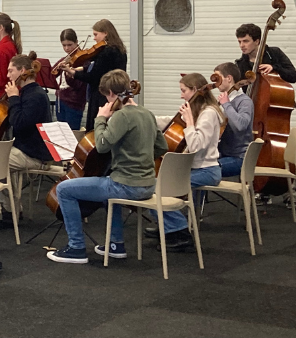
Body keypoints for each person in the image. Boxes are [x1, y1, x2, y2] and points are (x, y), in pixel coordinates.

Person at [48, 70, 168, 264]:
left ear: (111, 94)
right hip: (148, 185)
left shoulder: (122, 116)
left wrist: (101, 118)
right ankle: (115, 244)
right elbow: (162, 147)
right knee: (108, 194)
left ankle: (76, 248)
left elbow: (102, 145)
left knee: (64, 189)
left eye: (105, 96)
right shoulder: (147, 113)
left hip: (126, 186)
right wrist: (140, 157)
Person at [0, 52, 56, 224]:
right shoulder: (27, 93)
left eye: (11, 71)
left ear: (23, 71)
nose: (8, 75)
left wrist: (13, 98)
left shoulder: (35, 95)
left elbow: (19, 123)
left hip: (34, 154)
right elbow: (13, 114)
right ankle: (11, 210)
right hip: (24, 150)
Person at [148, 73, 225, 251]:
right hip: (195, 170)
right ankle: (169, 227)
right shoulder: (198, 110)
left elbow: (197, 145)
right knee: (152, 185)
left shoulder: (209, 113)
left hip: (207, 171)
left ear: (195, 90)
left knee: (156, 188)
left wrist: (190, 122)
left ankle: (180, 232)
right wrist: (147, 117)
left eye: (184, 91)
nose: (181, 95)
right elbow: (171, 121)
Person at [64, 19, 127, 131]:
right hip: (116, 95)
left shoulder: (107, 52)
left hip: (102, 97)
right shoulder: (119, 49)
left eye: (96, 34)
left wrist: (73, 73)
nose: (94, 38)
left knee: (96, 130)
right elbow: (99, 67)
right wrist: (81, 68)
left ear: (105, 33)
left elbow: (94, 77)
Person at [214, 62, 254, 178]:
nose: (216, 84)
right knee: (195, 164)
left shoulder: (244, 101)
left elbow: (241, 125)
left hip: (238, 158)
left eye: (218, 79)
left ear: (229, 78)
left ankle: (195, 197)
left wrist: (226, 104)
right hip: (222, 153)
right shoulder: (224, 100)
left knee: (204, 169)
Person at [234, 23, 296, 87]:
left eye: (245, 41)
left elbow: (293, 77)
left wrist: (274, 68)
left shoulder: (274, 53)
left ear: (257, 41)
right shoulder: (240, 64)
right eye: (239, 42)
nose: (241, 45)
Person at [53, 28, 87, 130]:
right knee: (62, 134)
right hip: (60, 100)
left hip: (74, 103)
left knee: (71, 134)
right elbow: (52, 74)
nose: (67, 48)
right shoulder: (67, 58)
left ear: (77, 42)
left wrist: (69, 73)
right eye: (64, 45)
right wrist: (58, 67)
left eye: (70, 45)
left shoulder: (83, 60)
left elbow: (78, 85)